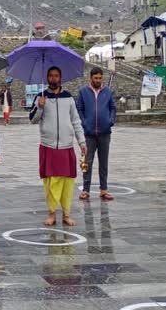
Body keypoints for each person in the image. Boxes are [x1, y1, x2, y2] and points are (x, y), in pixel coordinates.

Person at [29, 66, 87, 226]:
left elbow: (76, 120)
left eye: (56, 76)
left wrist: (81, 141)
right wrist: (40, 107)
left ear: (60, 78)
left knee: (67, 182)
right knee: (51, 183)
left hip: (66, 146)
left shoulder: (68, 98)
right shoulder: (41, 97)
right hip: (48, 146)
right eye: (51, 76)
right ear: (47, 78)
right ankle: (52, 213)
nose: (53, 78)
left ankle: (66, 214)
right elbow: (32, 119)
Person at [77, 67, 117, 201]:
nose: (98, 80)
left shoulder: (107, 92)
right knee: (87, 162)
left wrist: (110, 121)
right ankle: (85, 189)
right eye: (95, 78)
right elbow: (79, 109)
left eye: (100, 78)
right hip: (89, 133)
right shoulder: (83, 92)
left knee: (103, 162)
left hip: (105, 132)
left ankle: (104, 189)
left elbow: (113, 108)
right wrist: (84, 123)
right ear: (91, 78)